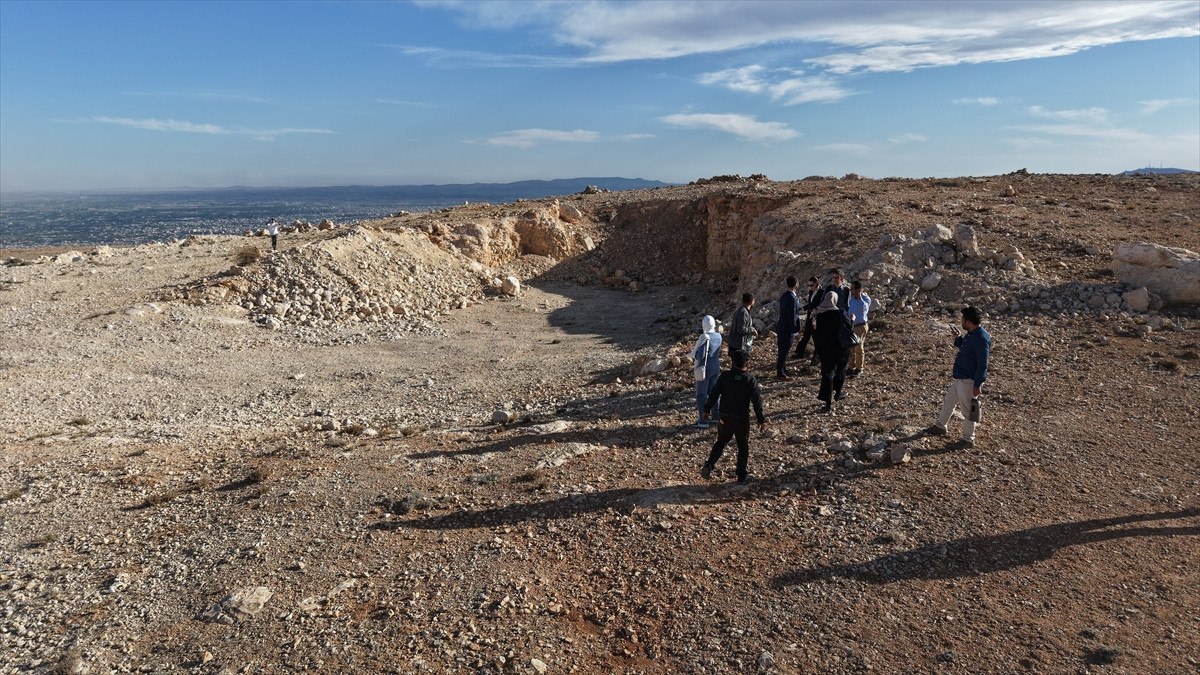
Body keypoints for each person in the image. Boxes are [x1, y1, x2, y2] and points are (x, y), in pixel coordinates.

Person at [927, 306, 992, 448]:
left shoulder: (981, 338)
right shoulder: (972, 334)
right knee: (949, 401)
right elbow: (966, 349)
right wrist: (958, 338)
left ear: (968, 321)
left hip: (968, 380)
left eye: (963, 319)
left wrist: (977, 384)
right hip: (960, 377)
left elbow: (983, 364)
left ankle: (968, 439)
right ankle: (940, 426)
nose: (961, 322)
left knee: (968, 409)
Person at [701, 351, 766, 485]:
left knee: (721, 442)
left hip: (724, 417)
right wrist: (760, 419)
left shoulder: (724, 376)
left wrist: (706, 409)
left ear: (733, 362)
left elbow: (714, 393)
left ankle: (709, 465)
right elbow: (757, 401)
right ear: (747, 364)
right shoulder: (750, 379)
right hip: (741, 419)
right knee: (743, 447)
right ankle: (741, 475)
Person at [812, 291, 852, 412]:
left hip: (826, 350)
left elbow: (817, 333)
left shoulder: (820, 315)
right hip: (840, 349)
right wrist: (853, 320)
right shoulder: (840, 313)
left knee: (827, 374)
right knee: (841, 370)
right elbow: (848, 327)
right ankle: (838, 392)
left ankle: (828, 402)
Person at [691, 315, 723, 428]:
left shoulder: (704, 337)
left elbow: (700, 356)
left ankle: (703, 420)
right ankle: (716, 415)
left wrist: (694, 354)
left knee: (701, 394)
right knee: (713, 392)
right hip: (716, 366)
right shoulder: (718, 336)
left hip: (704, 368)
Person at [774, 276, 800, 380]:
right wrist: (795, 331)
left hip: (782, 326)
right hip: (787, 329)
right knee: (784, 351)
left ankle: (783, 369)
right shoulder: (792, 298)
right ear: (796, 284)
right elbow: (791, 316)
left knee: (782, 350)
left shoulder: (784, 295)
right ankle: (780, 372)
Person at [846, 280, 872, 377]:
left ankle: (859, 368)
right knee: (851, 347)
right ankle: (851, 366)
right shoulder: (852, 299)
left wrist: (860, 296)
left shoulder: (865, 299)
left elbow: (864, 308)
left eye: (852, 289)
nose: (851, 290)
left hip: (860, 326)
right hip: (853, 325)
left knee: (858, 347)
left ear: (858, 290)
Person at [794, 276, 821, 360]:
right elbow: (810, 303)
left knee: (816, 337)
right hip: (810, 316)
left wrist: (807, 308)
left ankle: (817, 356)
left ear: (816, 284)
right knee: (806, 335)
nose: (809, 287)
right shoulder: (811, 292)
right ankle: (799, 352)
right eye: (808, 285)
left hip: (816, 317)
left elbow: (816, 304)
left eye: (811, 285)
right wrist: (804, 308)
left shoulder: (821, 292)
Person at [728, 292, 758, 363]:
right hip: (738, 345)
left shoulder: (743, 310)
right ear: (751, 301)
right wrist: (752, 330)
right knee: (738, 366)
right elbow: (741, 329)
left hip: (738, 344)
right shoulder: (743, 312)